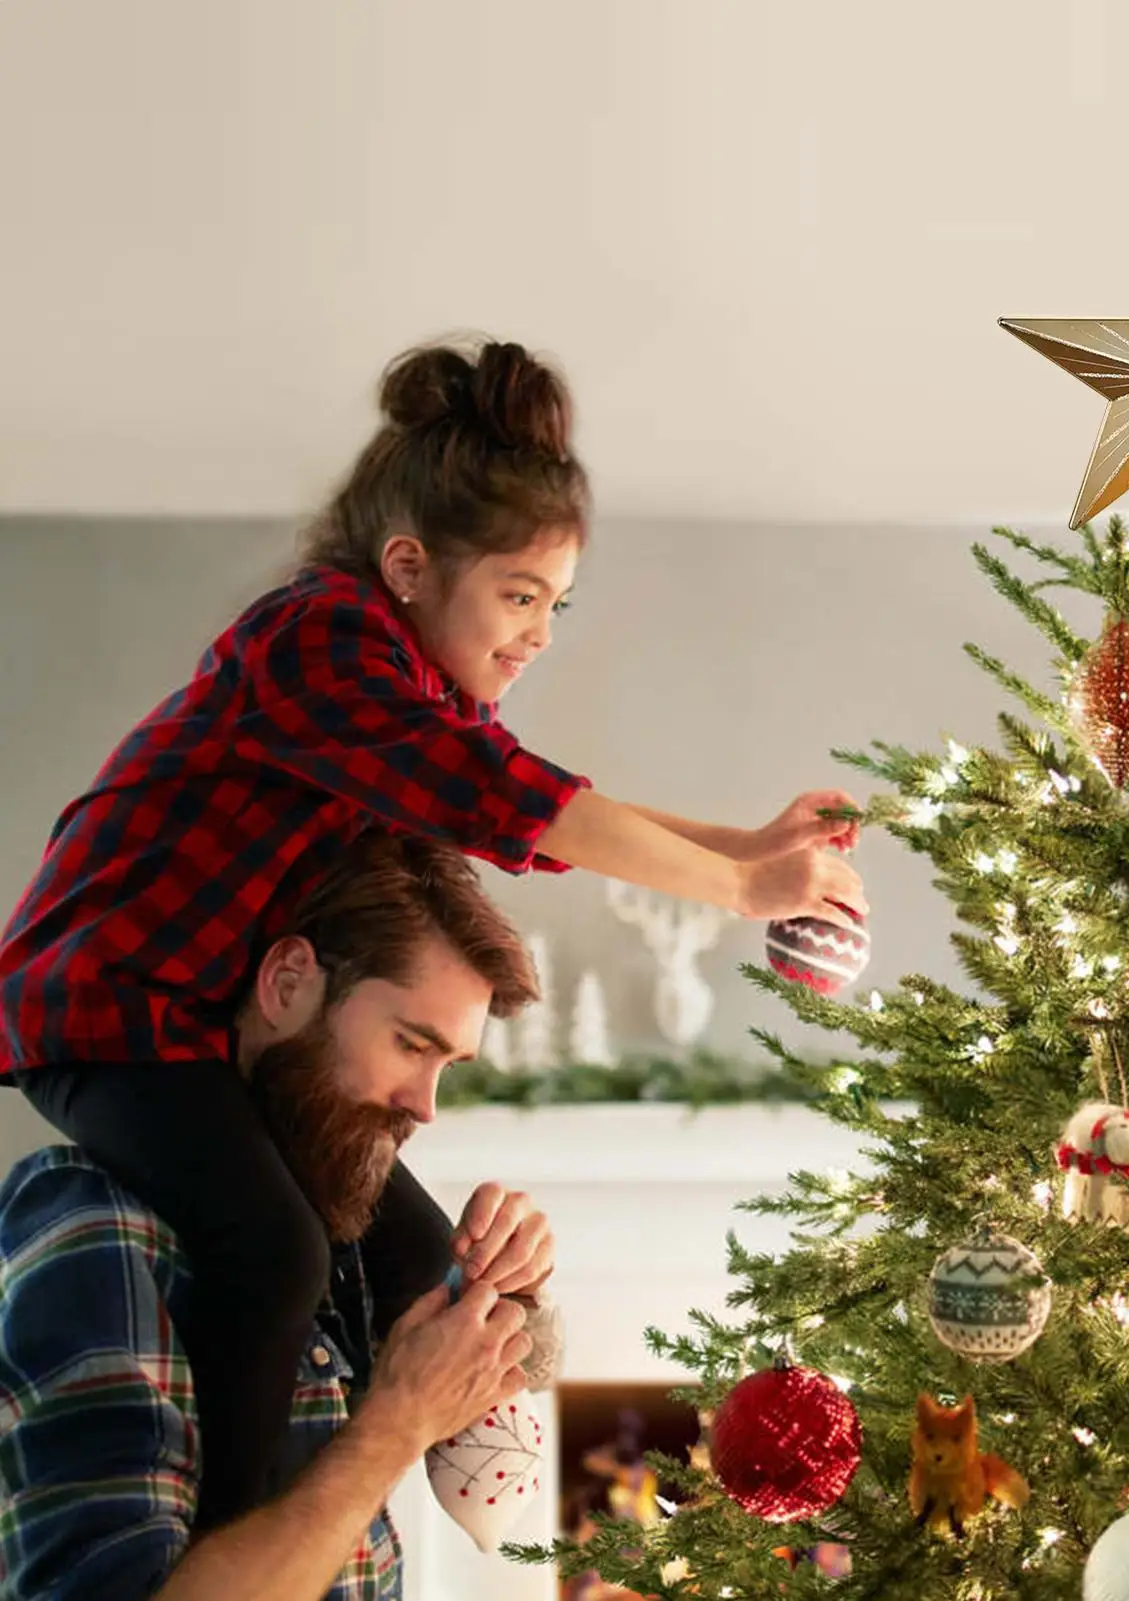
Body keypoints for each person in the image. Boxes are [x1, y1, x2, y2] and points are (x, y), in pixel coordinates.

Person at [0, 336, 867, 1528]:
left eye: (556, 604)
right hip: (99, 1005)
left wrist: (744, 847)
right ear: (408, 565)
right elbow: (513, 802)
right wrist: (740, 888)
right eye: (519, 595)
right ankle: (230, 1539)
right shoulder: (316, 642)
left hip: (203, 1022)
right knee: (276, 1251)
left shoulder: (411, 699)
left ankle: (461, 1489)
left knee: (413, 1258)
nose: (539, 633)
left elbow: (529, 793)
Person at [0, 831, 558, 1600]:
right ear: (288, 980)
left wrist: (516, 1283)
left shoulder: (338, 1198)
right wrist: (392, 1428)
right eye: (408, 1043)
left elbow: (518, 1381)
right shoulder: (97, 1226)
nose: (426, 1107)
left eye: (446, 1066)